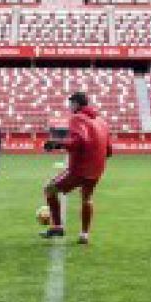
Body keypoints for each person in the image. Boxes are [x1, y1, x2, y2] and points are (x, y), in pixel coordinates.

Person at [40, 92, 112, 245]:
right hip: (97, 170)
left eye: (71, 103)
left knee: (49, 189)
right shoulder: (102, 121)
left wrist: (57, 143)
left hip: (79, 170)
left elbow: (79, 141)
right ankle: (84, 235)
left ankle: (58, 227)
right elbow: (109, 150)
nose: (69, 107)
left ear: (77, 104)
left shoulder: (77, 118)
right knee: (87, 199)